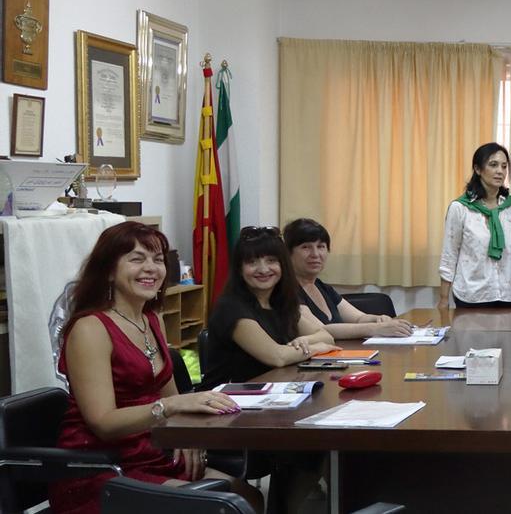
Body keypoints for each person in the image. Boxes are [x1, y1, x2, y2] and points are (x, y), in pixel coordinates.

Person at [50, 221, 261, 514]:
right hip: (102, 466)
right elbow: (103, 422)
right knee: (224, 506)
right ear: (109, 270)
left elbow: (173, 398)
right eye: (137, 259)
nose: (151, 268)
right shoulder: (91, 328)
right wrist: (169, 407)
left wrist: (188, 435)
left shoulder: (153, 319)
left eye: (158, 260)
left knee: (248, 496)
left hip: (153, 451)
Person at [205, 226, 339, 387]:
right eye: (252, 262)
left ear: (283, 265)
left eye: (271, 260)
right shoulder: (230, 307)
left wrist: (304, 340)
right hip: (225, 402)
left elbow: (326, 336)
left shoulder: (279, 302)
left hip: (270, 392)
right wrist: (316, 348)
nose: (263, 269)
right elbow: (277, 356)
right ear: (239, 269)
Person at [438, 143, 511, 309]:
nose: (500, 171)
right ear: (477, 169)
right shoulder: (460, 208)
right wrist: (443, 299)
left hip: (507, 295)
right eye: (493, 165)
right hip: (470, 296)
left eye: (504, 166)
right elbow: (450, 254)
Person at [284, 218, 413, 337]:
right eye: (306, 247)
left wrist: (380, 319)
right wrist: (375, 328)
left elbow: (359, 318)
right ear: (288, 253)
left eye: (321, 246)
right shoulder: (287, 290)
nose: (315, 254)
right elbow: (321, 331)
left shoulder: (321, 286)